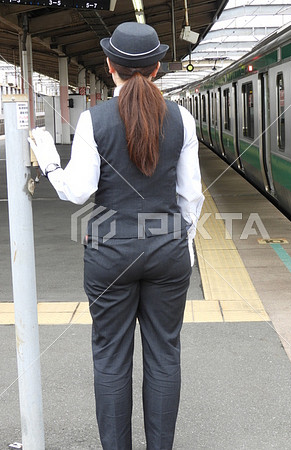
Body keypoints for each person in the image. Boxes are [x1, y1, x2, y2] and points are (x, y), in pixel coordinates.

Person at [29, 22, 204, 450]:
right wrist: (183, 243)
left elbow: (77, 191)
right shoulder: (182, 118)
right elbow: (191, 195)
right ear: (158, 68)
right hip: (167, 250)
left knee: (110, 357)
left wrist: (50, 161)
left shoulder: (94, 120)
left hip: (109, 252)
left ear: (110, 67)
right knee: (164, 354)